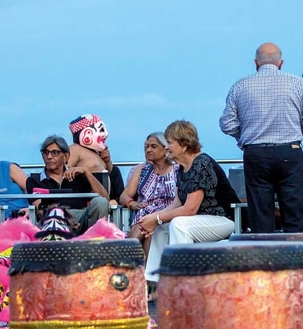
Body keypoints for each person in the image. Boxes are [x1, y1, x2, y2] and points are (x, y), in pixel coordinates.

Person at [219, 42, 303, 233]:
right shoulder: (298, 83)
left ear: (256, 63)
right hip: (289, 151)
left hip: (255, 153)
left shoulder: (240, 86)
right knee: (294, 211)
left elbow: (227, 124)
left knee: (260, 213)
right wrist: (295, 133)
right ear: (281, 63)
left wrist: (245, 138)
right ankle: (295, 250)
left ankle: (264, 250)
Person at [142, 120, 236, 287]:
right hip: (200, 220)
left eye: (170, 142)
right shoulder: (182, 167)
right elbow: (177, 203)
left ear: (184, 145)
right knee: (161, 226)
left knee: (179, 224)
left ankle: (181, 283)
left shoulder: (201, 163)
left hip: (223, 220)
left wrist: (156, 218)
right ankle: (155, 283)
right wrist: (154, 219)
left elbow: (190, 209)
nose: (167, 147)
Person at [24, 134, 110, 233]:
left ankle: (94, 240)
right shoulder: (34, 180)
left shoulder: (79, 176)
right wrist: (67, 220)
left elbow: (105, 199)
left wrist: (87, 172)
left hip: (80, 217)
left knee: (100, 202)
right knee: (53, 215)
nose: (49, 157)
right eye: (45, 153)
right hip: (53, 220)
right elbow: (41, 211)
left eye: (54, 153)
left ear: (66, 156)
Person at [123, 133, 180, 246]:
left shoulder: (177, 169)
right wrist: (132, 203)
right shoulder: (141, 170)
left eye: (153, 146)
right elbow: (124, 196)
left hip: (167, 214)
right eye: (146, 147)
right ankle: (130, 251)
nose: (148, 150)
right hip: (144, 213)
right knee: (145, 222)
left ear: (165, 149)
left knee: (148, 227)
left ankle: (128, 252)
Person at [66, 114, 124, 202]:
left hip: (107, 196)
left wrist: (107, 161)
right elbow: (65, 172)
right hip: (90, 199)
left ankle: (117, 200)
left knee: (116, 170)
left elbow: (110, 173)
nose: (105, 134)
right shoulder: (75, 149)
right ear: (87, 133)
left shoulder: (97, 152)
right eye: (101, 130)